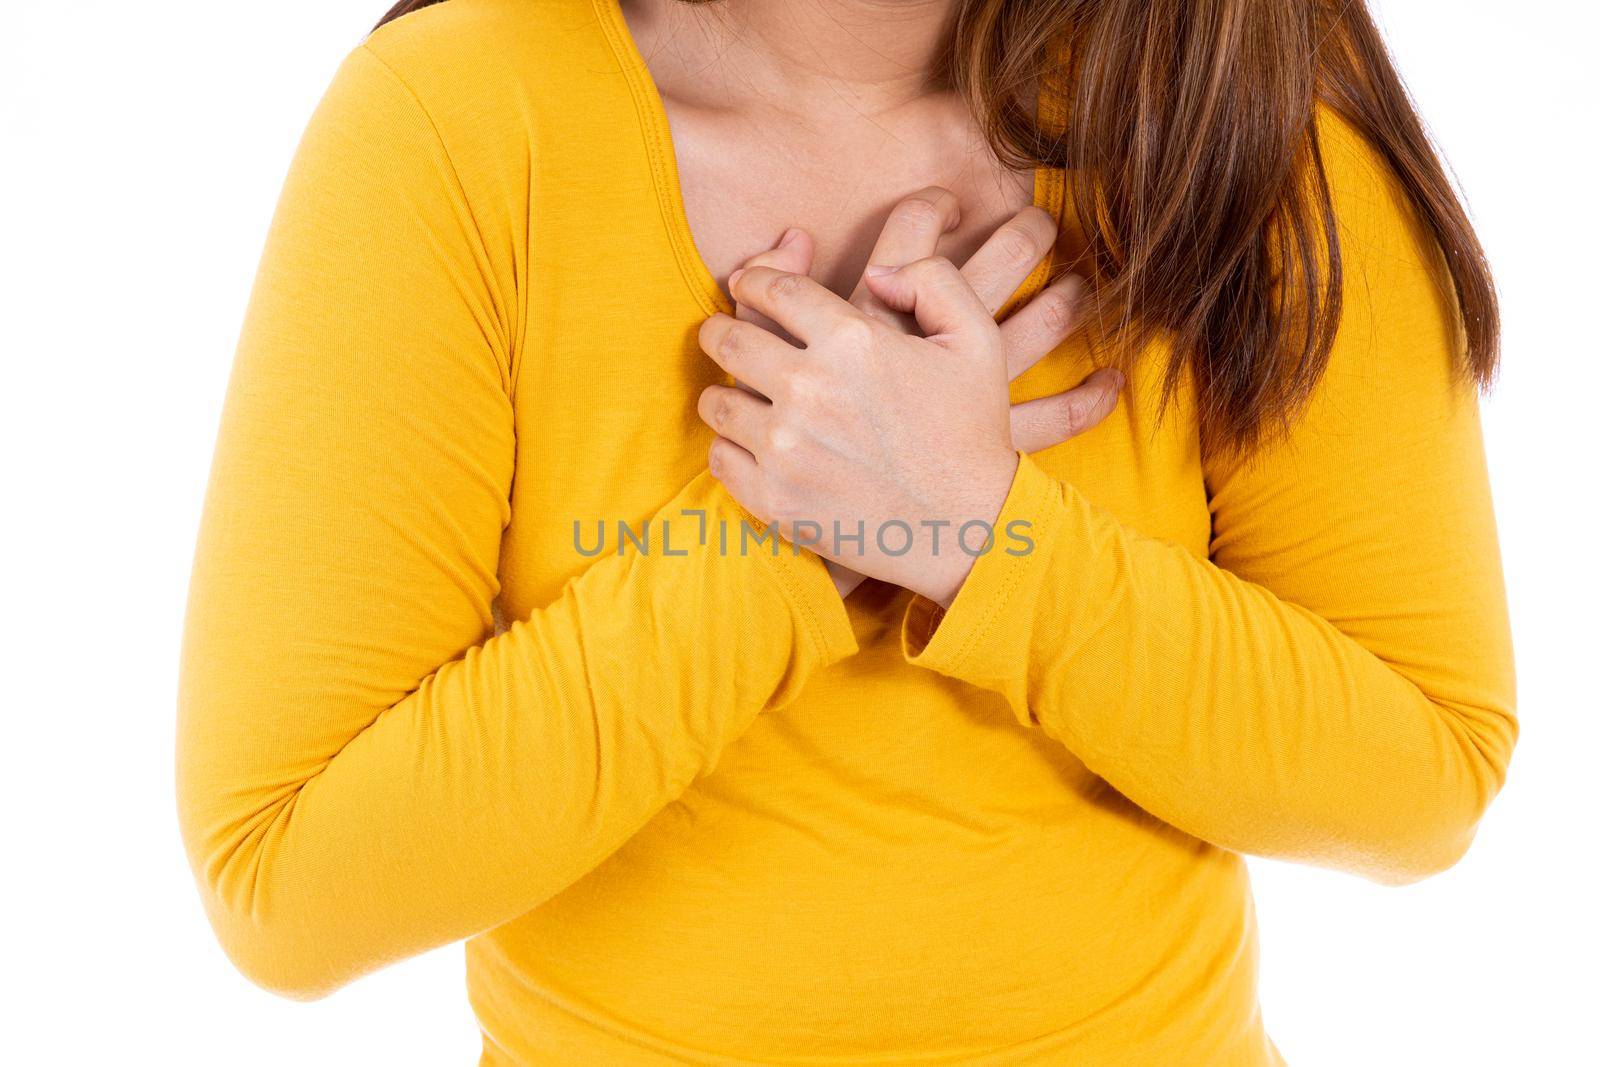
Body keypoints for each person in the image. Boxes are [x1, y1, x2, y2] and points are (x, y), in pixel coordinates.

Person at [176, 0, 1517, 1062]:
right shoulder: (459, 115)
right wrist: (798, 539)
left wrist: (985, 535)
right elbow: (287, 880)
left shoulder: (1248, 98)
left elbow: (1423, 772)